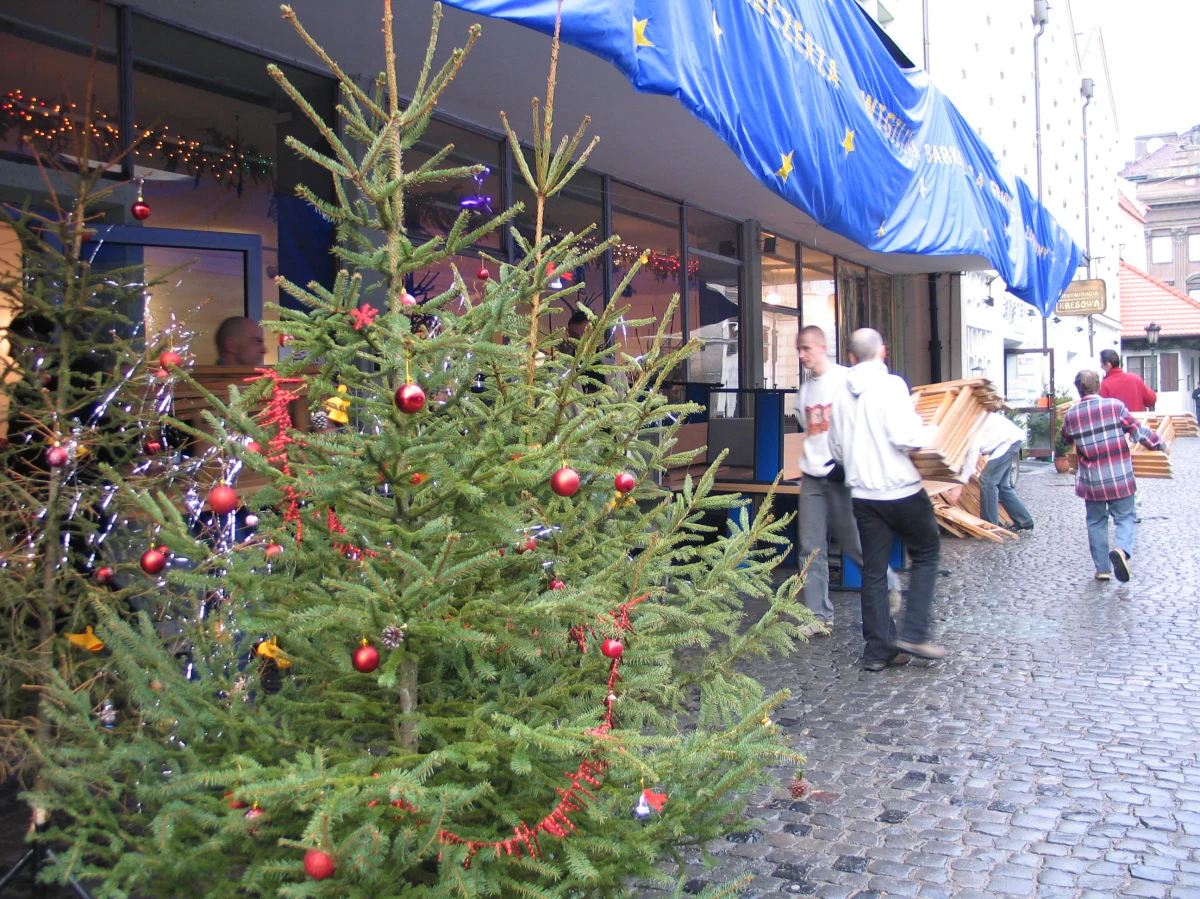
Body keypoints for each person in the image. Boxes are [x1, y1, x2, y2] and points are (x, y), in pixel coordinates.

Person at [829, 328, 947, 670]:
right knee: (926, 552)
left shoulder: (839, 395)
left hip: (863, 495)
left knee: (874, 571)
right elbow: (906, 436)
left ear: (851, 357)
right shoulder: (892, 385)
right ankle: (914, 633)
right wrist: (935, 431)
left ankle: (878, 651)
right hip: (901, 489)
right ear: (884, 351)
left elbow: (836, 450)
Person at [794, 325, 901, 630]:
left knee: (853, 542)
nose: (802, 355)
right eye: (799, 350)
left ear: (822, 347)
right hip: (813, 477)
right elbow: (808, 431)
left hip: (842, 474)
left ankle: (890, 583)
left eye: (807, 349)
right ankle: (818, 617)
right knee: (810, 548)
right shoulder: (804, 392)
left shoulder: (846, 380)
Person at [1060, 370, 1167, 582]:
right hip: (1119, 476)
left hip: (1092, 481)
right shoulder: (1115, 406)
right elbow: (1138, 433)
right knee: (1125, 517)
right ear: (1098, 385)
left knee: (1096, 522)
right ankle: (1122, 551)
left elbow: (1065, 440)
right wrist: (1160, 444)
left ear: (1078, 389)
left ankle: (1102, 569)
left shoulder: (1071, 415)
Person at [974, 411, 1034, 532]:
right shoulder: (969, 420)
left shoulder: (968, 427)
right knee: (1003, 485)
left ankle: (991, 526)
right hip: (1011, 440)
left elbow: (972, 457)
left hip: (1008, 442)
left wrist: (961, 481)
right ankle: (1024, 521)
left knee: (987, 481)